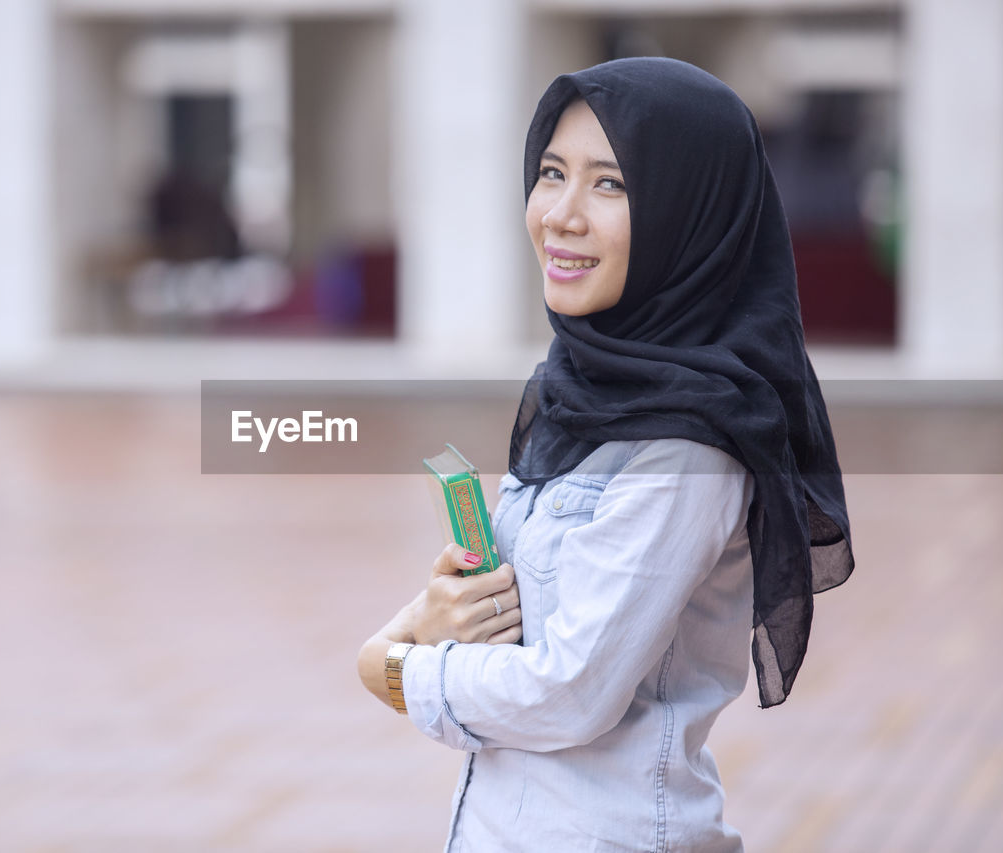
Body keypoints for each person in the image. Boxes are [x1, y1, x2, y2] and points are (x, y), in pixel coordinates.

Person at [358, 57, 854, 851]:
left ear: (691, 214)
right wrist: (428, 617)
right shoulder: (581, 390)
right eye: (551, 173)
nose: (560, 213)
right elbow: (517, 628)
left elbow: (570, 690)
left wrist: (388, 666)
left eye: (611, 185)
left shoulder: (689, 442)